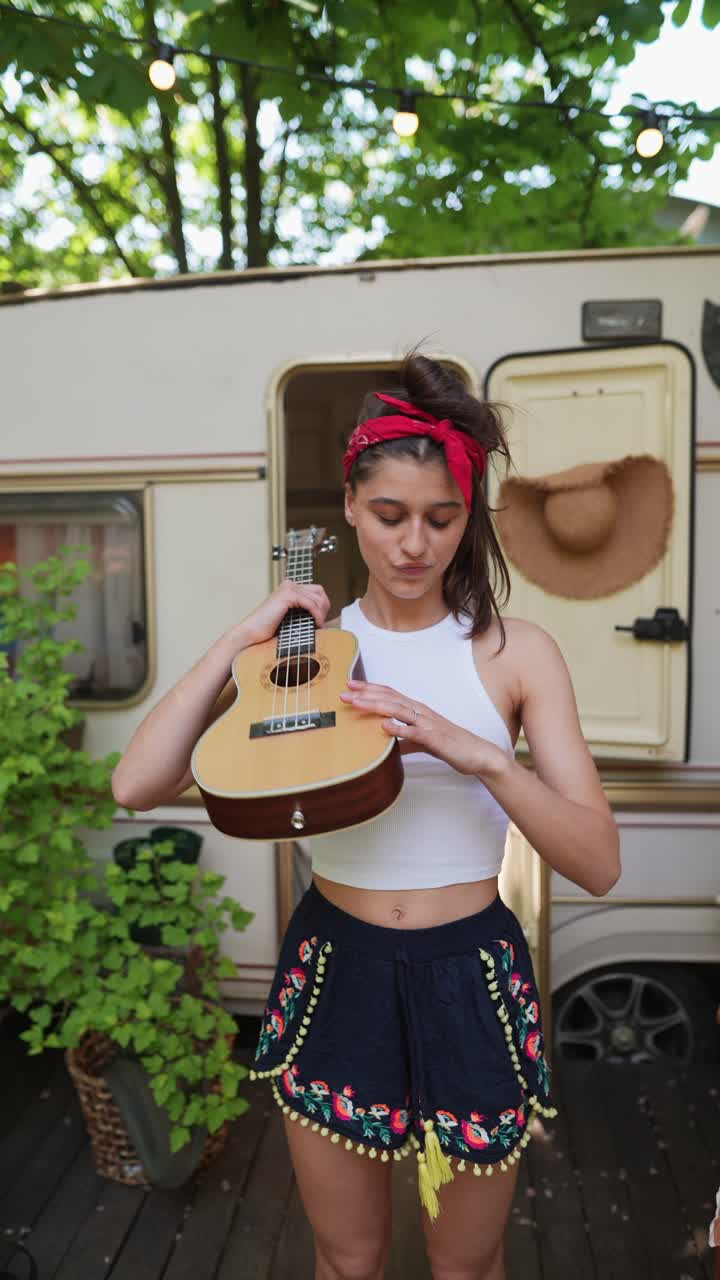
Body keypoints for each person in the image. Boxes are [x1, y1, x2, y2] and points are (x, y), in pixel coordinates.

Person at [112, 352, 620, 1280]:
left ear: (470, 520)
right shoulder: (299, 661)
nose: (415, 544)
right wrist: (243, 634)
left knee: (466, 1264)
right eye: (389, 516)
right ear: (350, 506)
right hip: (337, 967)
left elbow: (599, 862)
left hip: (470, 971)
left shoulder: (517, 654)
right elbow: (137, 785)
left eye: (442, 518)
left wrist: (477, 754)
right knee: (348, 1260)